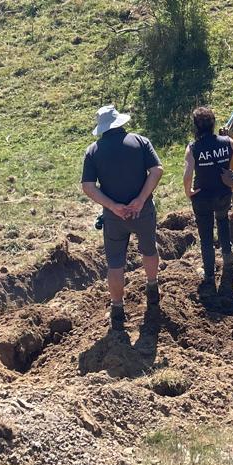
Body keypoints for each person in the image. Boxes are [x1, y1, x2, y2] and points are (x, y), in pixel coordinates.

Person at [80, 104, 163, 332]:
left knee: (115, 263)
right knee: (149, 249)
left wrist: (113, 206)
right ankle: (152, 288)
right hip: (142, 211)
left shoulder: (93, 151)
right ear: (120, 122)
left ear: (102, 128)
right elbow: (157, 170)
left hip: (114, 218)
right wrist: (140, 199)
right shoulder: (140, 142)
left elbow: (87, 186)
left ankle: (117, 310)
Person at [182, 105, 233, 304]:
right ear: (213, 124)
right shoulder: (227, 142)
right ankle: (228, 257)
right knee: (222, 222)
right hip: (223, 194)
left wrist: (189, 192)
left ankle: (209, 276)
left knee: (205, 237)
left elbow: (187, 176)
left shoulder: (193, 148)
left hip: (202, 197)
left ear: (195, 127)